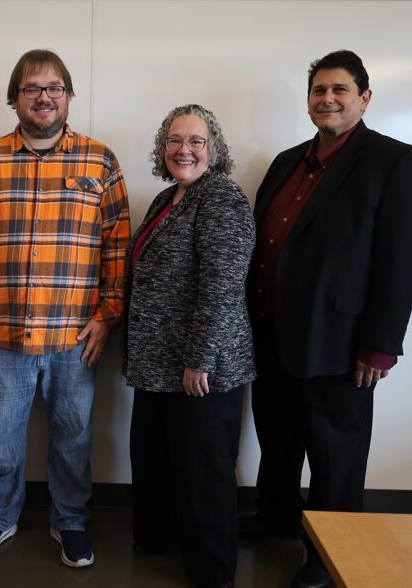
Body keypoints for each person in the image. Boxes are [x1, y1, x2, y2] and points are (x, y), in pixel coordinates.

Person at [245, 50, 412, 588]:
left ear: (364, 98)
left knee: (335, 452)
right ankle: (276, 515)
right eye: (318, 90)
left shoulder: (396, 161)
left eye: (340, 90)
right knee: (277, 437)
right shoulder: (285, 162)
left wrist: (381, 344)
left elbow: (403, 261)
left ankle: (329, 552)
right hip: (271, 331)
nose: (327, 98)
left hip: (340, 339)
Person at [0, 49, 131, 567]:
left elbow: (117, 246)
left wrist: (107, 315)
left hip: (76, 338)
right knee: (1, 441)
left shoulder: (100, 161)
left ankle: (70, 521)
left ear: (69, 96)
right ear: (15, 98)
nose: (44, 97)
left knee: (73, 440)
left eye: (54, 88)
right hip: (2, 336)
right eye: (32, 88)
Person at [123, 104, 255, 588]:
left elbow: (221, 287)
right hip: (159, 365)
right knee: (158, 459)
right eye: (175, 140)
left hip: (203, 367)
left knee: (204, 472)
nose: (185, 149)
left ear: (213, 150)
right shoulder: (167, 198)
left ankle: (212, 569)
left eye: (196, 141)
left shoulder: (220, 198)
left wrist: (199, 359)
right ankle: (162, 539)